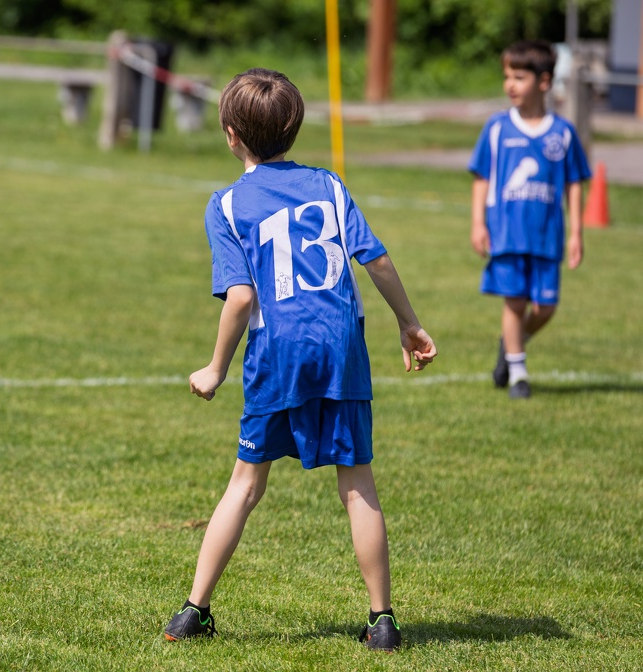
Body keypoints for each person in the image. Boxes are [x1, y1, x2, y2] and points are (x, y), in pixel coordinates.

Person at [162, 68, 437, 652]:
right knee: (357, 482)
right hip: (341, 346)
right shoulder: (330, 187)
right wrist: (408, 322)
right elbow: (377, 259)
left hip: (279, 353)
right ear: (294, 128)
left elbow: (241, 297)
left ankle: (194, 611)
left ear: (231, 135)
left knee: (245, 485)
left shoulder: (228, 204)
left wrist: (215, 368)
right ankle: (382, 621)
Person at [469, 40, 590, 399]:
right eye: (507, 76)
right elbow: (481, 178)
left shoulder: (562, 133)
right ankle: (518, 374)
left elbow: (574, 184)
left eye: (519, 77)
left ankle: (511, 342)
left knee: (546, 307)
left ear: (544, 81)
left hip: (546, 236)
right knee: (515, 301)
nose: (510, 84)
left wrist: (577, 233)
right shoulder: (496, 128)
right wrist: (478, 223)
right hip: (506, 232)